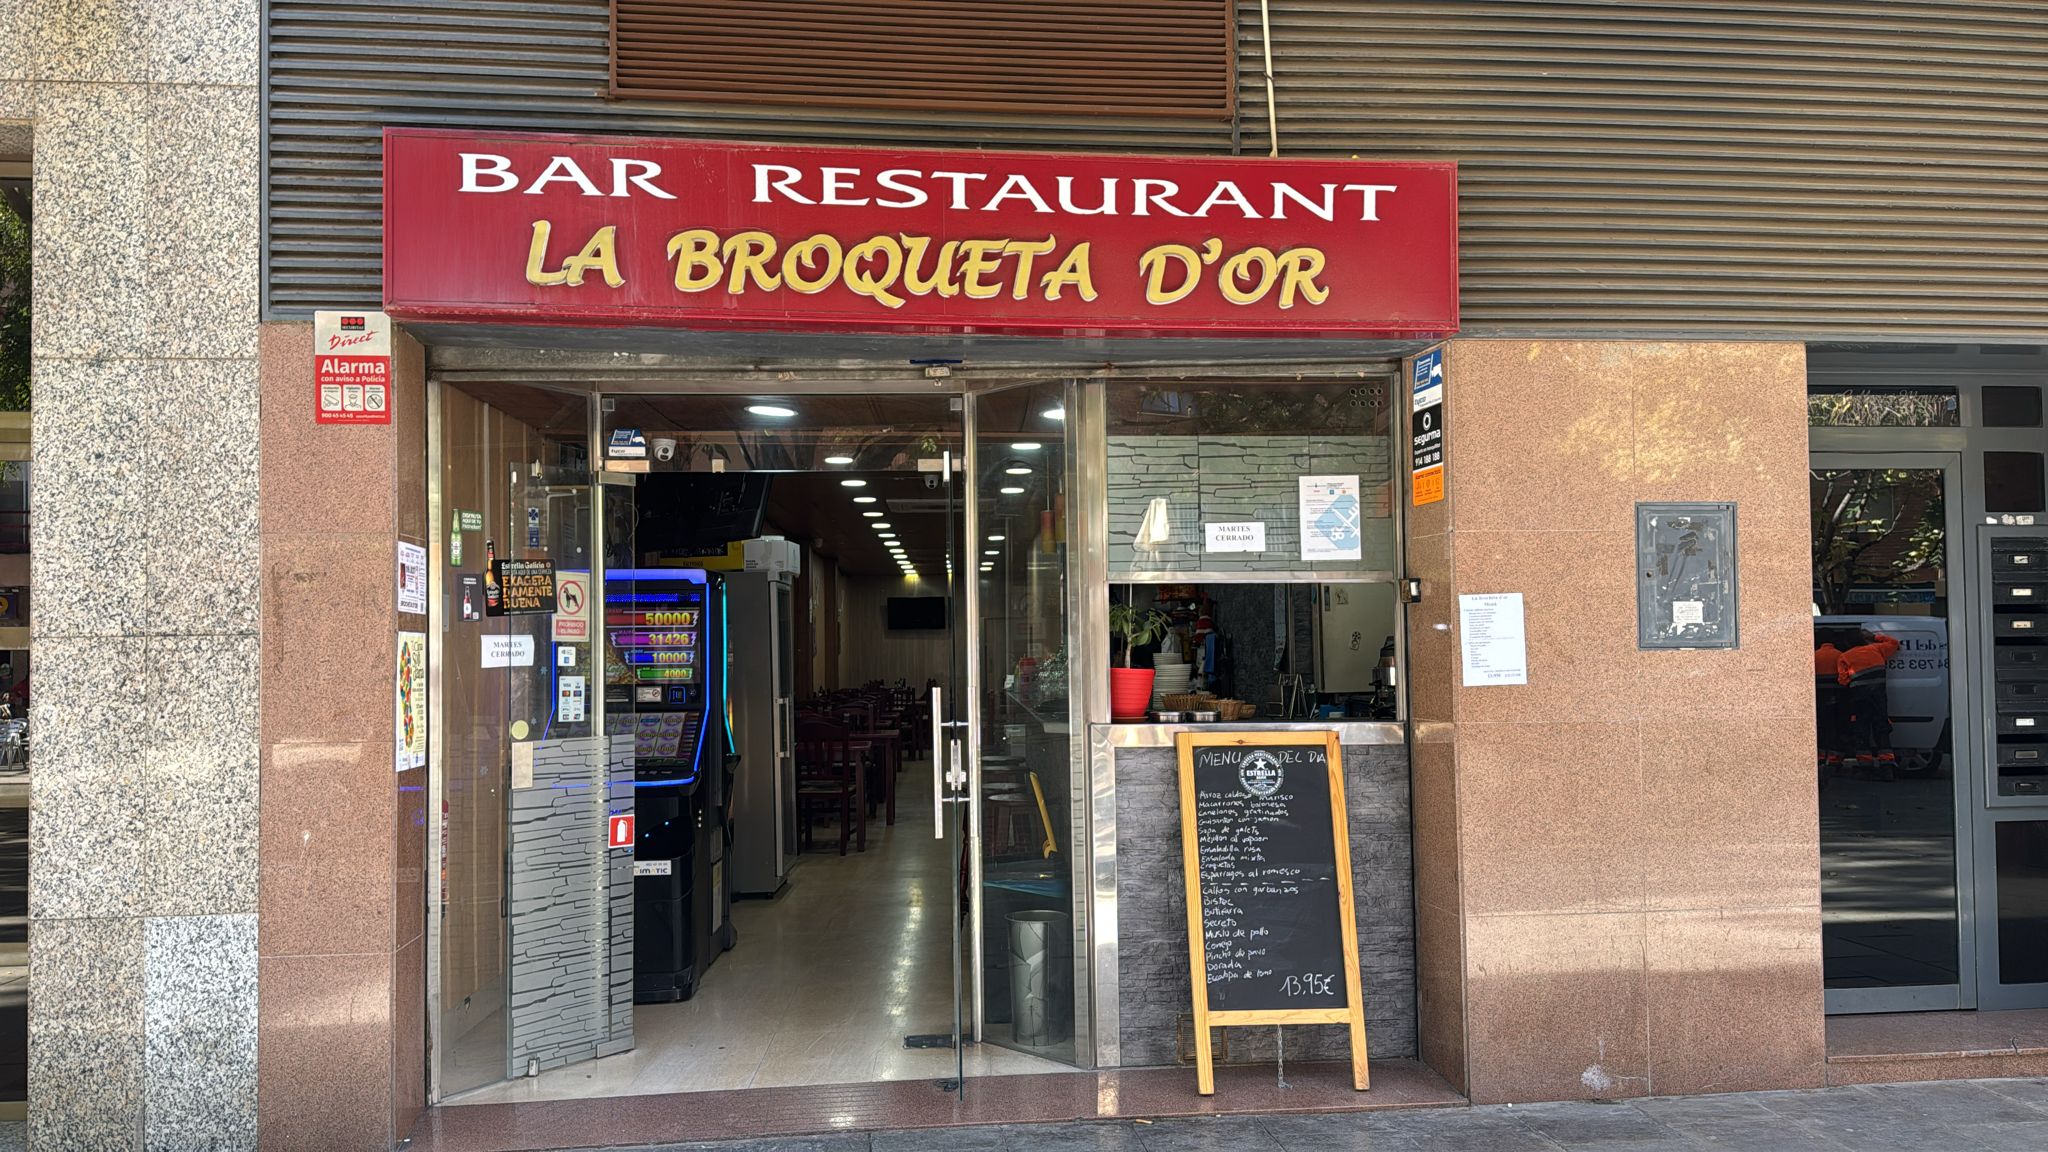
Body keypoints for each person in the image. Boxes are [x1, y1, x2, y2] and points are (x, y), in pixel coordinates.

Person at [1838, 628, 1901, 775]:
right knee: (1881, 728)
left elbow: (1843, 680)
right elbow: (1894, 643)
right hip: (1878, 696)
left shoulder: (1844, 656)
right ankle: (1887, 767)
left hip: (1859, 699)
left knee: (1862, 730)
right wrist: (1874, 636)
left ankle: (1865, 767)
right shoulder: (1877, 648)